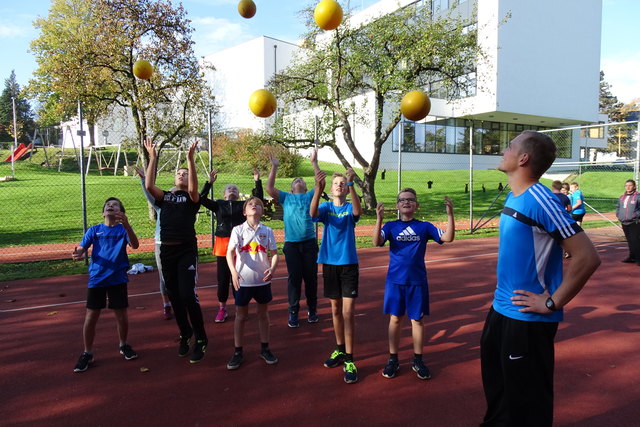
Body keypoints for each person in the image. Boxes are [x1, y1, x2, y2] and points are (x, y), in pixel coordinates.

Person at [480, 131, 600, 426]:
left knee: (528, 405)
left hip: (528, 321)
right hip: (501, 311)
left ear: (523, 158)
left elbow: (587, 257)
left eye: (509, 147)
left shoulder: (541, 199)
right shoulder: (514, 195)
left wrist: (551, 302)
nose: (502, 150)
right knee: (500, 395)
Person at [373, 188, 455, 380]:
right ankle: (393, 359)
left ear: (416, 206)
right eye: (402, 200)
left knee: (417, 320)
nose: (406, 202)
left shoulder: (424, 227)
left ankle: (418, 359)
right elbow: (377, 242)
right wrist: (378, 219)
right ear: (397, 205)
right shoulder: (391, 226)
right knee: (395, 319)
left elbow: (448, 237)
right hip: (395, 281)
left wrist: (450, 215)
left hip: (417, 281)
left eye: (410, 200)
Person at [144, 139, 208, 364]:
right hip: (166, 253)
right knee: (174, 296)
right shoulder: (165, 198)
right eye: (178, 173)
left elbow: (193, 188)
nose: (181, 174)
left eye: (185, 173)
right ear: (172, 179)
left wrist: (190, 160)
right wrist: (153, 158)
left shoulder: (192, 198)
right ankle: (185, 332)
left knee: (188, 295)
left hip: (186, 251)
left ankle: (201, 338)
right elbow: (150, 186)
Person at [72, 197, 140, 372]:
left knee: (121, 315)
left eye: (115, 204)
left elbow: (135, 245)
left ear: (120, 213)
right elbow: (82, 247)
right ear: (103, 213)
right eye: (108, 205)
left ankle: (123, 344)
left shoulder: (123, 230)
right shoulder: (94, 230)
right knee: (91, 316)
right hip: (97, 278)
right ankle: (87, 353)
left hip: (117, 279)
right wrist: (78, 253)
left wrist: (127, 225)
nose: (111, 206)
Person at [310, 167, 362, 384]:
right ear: (331, 189)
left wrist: (351, 183)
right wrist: (317, 188)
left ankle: (350, 358)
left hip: (348, 264)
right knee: (335, 309)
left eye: (342, 183)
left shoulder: (350, 207)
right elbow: (312, 214)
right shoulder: (325, 207)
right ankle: (339, 349)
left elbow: (358, 212)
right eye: (336, 183)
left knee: (348, 312)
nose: (339, 185)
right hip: (330, 264)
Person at [199, 169, 264, 323]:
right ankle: (222, 308)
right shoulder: (218, 205)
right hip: (223, 245)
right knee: (223, 279)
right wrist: (209, 183)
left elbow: (259, 199)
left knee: (239, 277)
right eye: (229, 188)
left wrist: (257, 181)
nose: (232, 190)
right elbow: (200, 199)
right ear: (224, 194)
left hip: (241, 245)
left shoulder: (243, 205)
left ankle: (239, 306)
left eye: (235, 188)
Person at [265, 149, 321, 327]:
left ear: (305, 187)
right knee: (294, 279)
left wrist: (314, 162)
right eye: (295, 180)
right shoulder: (286, 198)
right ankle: (293, 311)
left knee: (311, 278)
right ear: (291, 188)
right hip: (292, 245)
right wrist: (274, 167)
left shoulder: (309, 196)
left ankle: (312, 309)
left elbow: (320, 184)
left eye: (301, 180)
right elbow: (269, 188)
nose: (298, 180)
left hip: (309, 243)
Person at [225, 197, 279, 370]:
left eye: (258, 205)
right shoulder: (237, 230)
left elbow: (275, 253)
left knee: (263, 314)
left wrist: (273, 269)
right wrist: (233, 272)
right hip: (243, 281)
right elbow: (229, 253)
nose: (254, 206)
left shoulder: (268, 230)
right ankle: (238, 351)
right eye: (250, 204)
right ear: (244, 212)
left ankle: (265, 348)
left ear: (262, 211)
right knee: (241, 316)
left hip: (262, 281)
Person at [134, 167, 172, 320]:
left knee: (181, 277)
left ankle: (181, 303)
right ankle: (166, 305)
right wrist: (144, 180)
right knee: (164, 276)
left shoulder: (184, 206)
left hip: (181, 244)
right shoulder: (160, 205)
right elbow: (149, 195)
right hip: (161, 244)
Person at [616, 179, 640, 265]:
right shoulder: (622, 197)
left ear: (634, 186)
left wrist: (636, 215)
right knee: (629, 240)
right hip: (624, 222)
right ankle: (632, 257)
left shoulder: (638, 196)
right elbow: (618, 207)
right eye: (626, 185)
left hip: (634, 222)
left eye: (630, 185)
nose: (628, 187)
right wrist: (618, 215)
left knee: (635, 240)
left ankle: (638, 258)